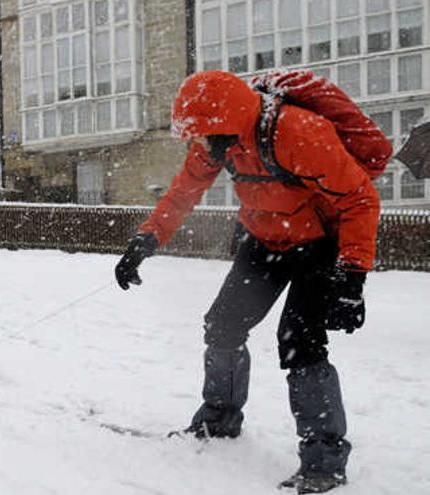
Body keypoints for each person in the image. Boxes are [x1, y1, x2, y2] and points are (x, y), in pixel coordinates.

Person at [114, 71, 390, 494]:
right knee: (222, 325)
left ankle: (324, 461)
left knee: (300, 341)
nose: (199, 145)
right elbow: (182, 193)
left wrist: (351, 279)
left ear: (227, 123)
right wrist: (146, 239)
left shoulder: (300, 132)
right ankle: (220, 418)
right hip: (263, 236)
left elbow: (360, 199)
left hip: (319, 243)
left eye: (204, 134)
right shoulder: (216, 144)